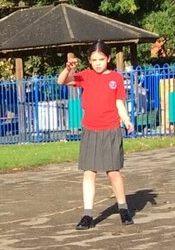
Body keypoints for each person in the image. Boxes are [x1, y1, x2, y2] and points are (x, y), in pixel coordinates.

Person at [58, 42, 136, 229]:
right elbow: (62, 81)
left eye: (101, 59)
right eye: (94, 60)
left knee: (113, 172)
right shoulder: (85, 75)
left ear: (108, 59)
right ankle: (87, 215)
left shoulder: (116, 78)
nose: (98, 63)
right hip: (90, 129)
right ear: (89, 61)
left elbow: (119, 103)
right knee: (89, 172)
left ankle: (123, 209)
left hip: (110, 129)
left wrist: (126, 120)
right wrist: (67, 69)